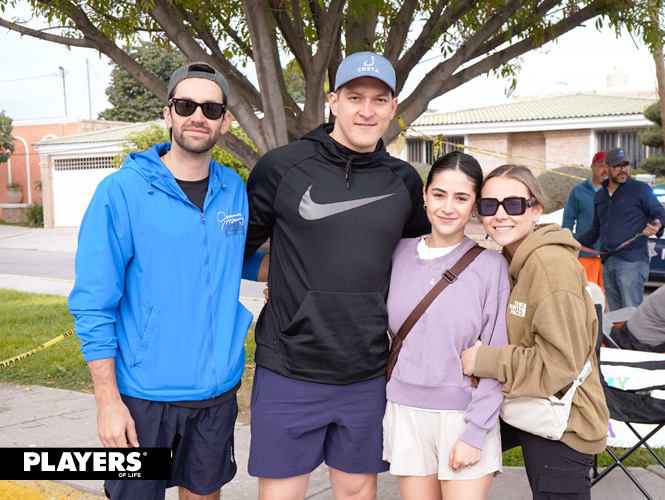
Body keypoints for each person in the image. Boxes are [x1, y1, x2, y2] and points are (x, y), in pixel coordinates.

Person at [69, 62, 267, 500]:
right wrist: (108, 402)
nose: (198, 115)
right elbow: (93, 303)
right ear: (168, 113)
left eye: (211, 108)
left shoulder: (233, 187)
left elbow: (237, 259)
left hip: (216, 394)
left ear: (225, 121)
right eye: (186, 104)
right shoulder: (121, 191)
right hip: (143, 398)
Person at [243, 51, 430, 500]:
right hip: (290, 366)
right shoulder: (281, 167)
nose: (367, 110)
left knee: (355, 493)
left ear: (393, 107)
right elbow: (235, 252)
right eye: (355, 97)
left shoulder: (404, 180)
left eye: (379, 100)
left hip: (366, 371)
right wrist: (286, 277)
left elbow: (418, 260)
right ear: (333, 101)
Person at [460, 164, 610, 500]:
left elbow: (560, 362)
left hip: (563, 426)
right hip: (530, 409)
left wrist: (485, 360)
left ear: (536, 209)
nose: (500, 215)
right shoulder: (515, 259)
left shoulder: (547, 265)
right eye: (488, 205)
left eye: (513, 204)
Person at [383, 151, 510, 500]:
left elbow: (497, 355)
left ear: (474, 206)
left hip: (464, 415)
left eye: (461, 198)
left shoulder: (491, 267)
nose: (448, 207)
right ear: (424, 196)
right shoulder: (396, 253)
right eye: (439, 195)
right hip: (405, 411)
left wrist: (476, 431)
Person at [577, 147, 665, 310]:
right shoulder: (600, 196)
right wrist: (572, 242)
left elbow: (659, 213)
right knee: (616, 315)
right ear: (606, 167)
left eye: (626, 165)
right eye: (618, 165)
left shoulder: (640, 189)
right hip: (607, 262)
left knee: (632, 313)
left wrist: (656, 225)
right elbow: (595, 229)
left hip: (632, 262)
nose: (623, 169)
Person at [561, 151, 608, 290]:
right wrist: (567, 248)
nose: (605, 170)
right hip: (587, 254)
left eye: (608, 166)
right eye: (601, 165)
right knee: (588, 295)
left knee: (610, 300)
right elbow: (568, 222)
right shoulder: (578, 191)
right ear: (592, 167)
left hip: (611, 256)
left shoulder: (616, 192)